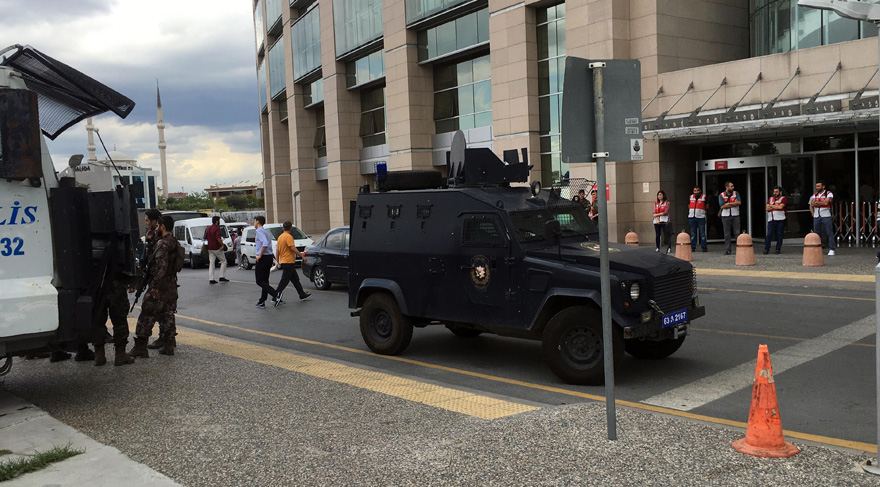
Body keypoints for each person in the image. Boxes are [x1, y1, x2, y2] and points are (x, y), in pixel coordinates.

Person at [130, 215, 182, 357]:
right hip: (171, 284)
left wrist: (154, 287)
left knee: (147, 314)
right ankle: (168, 344)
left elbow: (160, 267)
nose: (157, 228)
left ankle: (140, 346)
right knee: (167, 315)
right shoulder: (174, 242)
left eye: (158, 226)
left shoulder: (162, 244)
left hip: (160, 286)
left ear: (162, 226)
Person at [274, 221, 311, 306]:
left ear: (283, 228)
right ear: (290, 228)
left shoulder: (280, 237)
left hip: (284, 261)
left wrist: (277, 261)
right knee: (284, 281)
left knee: (295, 279)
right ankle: (275, 296)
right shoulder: (288, 237)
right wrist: (302, 256)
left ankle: (301, 294)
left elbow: (277, 250)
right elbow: (293, 248)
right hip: (288, 261)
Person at [253, 215, 280, 308]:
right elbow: (269, 244)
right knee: (265, 280)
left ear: (257, 222)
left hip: (263, 257)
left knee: (259, 280)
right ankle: (262, 301)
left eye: (254, 221)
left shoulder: (259, 231)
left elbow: (265, 243)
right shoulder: (266, 232)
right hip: (268, 256)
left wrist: (259, 255)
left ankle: (276, 294)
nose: (254, 223)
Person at [809, 181, 836, 256]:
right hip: (817, 216)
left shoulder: (828, 193)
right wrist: (820, 202)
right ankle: (817, 248)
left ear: (823, 187)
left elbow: (826, 203)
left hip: (826, 215)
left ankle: (832, 249)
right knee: (816, 233)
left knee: (829, 232)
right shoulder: (815, 194)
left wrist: (818, 203)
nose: (817, 187)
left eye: (818, 186)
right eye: (816, 186)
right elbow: (813, 204)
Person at [719, 181, 741, 255]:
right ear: (727, 187)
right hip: (725, 216)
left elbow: (739, 202)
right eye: (731, 186)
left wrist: (728, 204)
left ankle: (739, 249)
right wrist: (733, 203)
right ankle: (728, 250)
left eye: (733, 186)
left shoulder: (736, 193)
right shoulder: (721, 195)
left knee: (737, 233)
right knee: (727, 234)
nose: (733, 187)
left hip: (735, 215)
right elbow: (722, 206)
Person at [764, 186, 787, 255]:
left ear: (780, 192)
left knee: (779, 235)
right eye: (774, 192)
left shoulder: (783, 198)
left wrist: (772, 206)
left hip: (780, 219)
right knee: (769, 235)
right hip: (771, 219)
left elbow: (780, 207)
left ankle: (778, 249)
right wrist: (775, 206)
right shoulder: (770, 199)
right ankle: (766, 249)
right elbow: (767, 208)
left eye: (777, 192)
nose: (775, 193)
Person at [205, 216, 228, 284]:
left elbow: (205, 237)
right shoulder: (217, 229)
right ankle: (222, 276)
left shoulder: (208, 228)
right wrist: (222, 245)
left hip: (210, 248)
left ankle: (211, 278)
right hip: (217, 248)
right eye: (219, 220)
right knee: (223, 261)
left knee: (211, 263)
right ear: (217, 221)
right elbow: (218, 238)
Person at [687, 186, 708, 252]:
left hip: (701, 217)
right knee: (693, 234)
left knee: (702, 234)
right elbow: (688, 205)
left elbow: (707, 206)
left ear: (700, 191)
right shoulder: (691, 197)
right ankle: (693, 247)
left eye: (697, 190)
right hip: (692, 217)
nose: (696, 192)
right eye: (695, 190)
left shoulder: (704, 197)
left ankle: (704, 247)